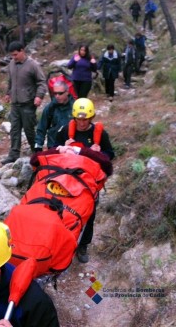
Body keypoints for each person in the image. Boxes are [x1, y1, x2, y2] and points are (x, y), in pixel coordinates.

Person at [55, 98, 115, 263]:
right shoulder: (65, 131)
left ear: (91, 117)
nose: (81, 123)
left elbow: (110, 154)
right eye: (78, 119)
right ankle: (63, 243)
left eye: (85, 119)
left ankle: (83, 245)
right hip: (68, 179)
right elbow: (53, 149)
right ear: (74, 117)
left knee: (89, 213)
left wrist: (100, 153)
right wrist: (63, 147)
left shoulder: (100, 134)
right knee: (63, 211)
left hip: (89, 183)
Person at [2, 41, 47, 165]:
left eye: (16, 54)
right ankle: (13, 154)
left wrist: (39, 96)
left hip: (28, 103)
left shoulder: (33, 65)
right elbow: (10, 81)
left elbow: (42, 82)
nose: (13, 57)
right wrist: (8, 93)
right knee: (14, 130)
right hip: (15, 103)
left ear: (22, 51)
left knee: (29, 129)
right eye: (12, 55)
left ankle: (36, 152)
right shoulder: (11, 64)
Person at [35, 81, 75, 152]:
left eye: (60, 93)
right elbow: (41, 128)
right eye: (55, 93)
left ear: (67, 92)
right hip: (54, 146)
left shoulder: (74, 107)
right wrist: (38, 146)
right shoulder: (50, 108)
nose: (57, 96)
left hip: (71, 147)